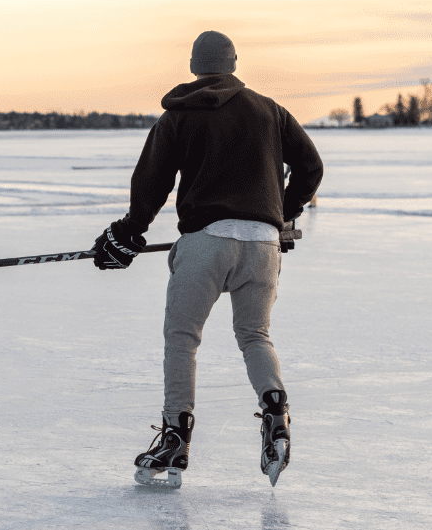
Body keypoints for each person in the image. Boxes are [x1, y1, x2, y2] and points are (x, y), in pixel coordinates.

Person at [92, 31, 323, 487]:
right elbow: (311, 167)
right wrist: (280, 216)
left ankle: (175, 439)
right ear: (233, 63)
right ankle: (276, 415)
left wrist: (127, 233)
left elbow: (151, 183)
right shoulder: (270, 110)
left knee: (183, 337)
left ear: (195, 65)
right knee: (255, 335)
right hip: (263, 246)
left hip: (206, 241)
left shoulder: (179, 114)